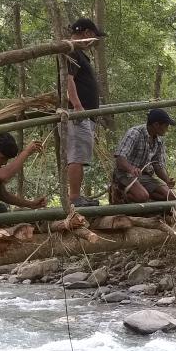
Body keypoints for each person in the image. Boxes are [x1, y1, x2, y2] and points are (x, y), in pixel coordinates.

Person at [64, 17, 106, 208]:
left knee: (80, 157)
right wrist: (77, 106)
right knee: (77, 156)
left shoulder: (78, 54)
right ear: (87, 33)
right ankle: (74, 197)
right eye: (94, 37)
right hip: (79, 114)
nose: (93, 42)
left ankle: (77, 196)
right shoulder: (72, 50)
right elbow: (68, 80)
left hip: (86, 115)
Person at [112, 108, 176, 203]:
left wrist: (167, 180)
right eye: (166, 126)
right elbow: (120, 158)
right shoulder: (134, 133)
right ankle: (120, 194)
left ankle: (143, 195)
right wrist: (131, 169)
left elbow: (158, 165)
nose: (167, 129)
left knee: (171, 196)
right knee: (142, 197)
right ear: (156, 125)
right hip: (125, 174)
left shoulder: (159, 140)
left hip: (145, 177)